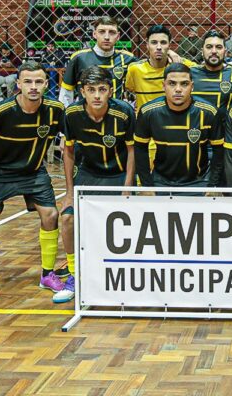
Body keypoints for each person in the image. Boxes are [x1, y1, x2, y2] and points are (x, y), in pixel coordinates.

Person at [0, 61, 66, 307]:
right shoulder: (2, 111)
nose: (33, 87)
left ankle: (47, 274)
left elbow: (71, 139)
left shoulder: (56, 109)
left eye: (38, 82)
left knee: (51, 215)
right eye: (28, 81)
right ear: (19, 84)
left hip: (33, 172)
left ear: (46, 84)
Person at [55, 66, 135, 303]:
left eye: (102, 89)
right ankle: (74, 274)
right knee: (67, 218)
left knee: (121, 222)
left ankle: (121, 274)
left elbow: (133, 151)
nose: (97, 95)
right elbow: (68, 152)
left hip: (119, 173)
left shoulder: (124, 112)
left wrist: (128, 187)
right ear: (82, 92)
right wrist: (69, 192)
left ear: (110, 90)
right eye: (91, 90)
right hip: (88, 172)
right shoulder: (71, 114)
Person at [134, 63, 224, 188]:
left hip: (200, 181)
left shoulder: (209, 112)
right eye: (172, 83)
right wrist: (147, 186)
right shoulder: (148, 112)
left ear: (192, 86)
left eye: (184, 84)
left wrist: (212, 185)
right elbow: (140, 148)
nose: (178, 89)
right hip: (160, 180)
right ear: (163, 86)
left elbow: (219, 151)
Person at [60, 16, 138, 107]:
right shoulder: (79, 58)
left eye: (112, 32)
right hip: (85, 114)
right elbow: (66, 93)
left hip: (116, 113)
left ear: (118, 36)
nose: (107, 37)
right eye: (102, 32)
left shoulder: (128, 58)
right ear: (94, 34)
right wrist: (66, 114)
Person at [125, 25, 197, 113]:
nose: (159, 47)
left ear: (169, 45)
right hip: (144, 119)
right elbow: (129, 90)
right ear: (147, 45)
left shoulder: (181, 64)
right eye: (154, 42)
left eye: (163, 43)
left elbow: (204, 70)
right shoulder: (135, 69)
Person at [190, 30, 232, 113]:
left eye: (219, 47)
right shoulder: (189, 74)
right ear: (202, 51)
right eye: (209, 47)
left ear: (225, 51)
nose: (214, 51)